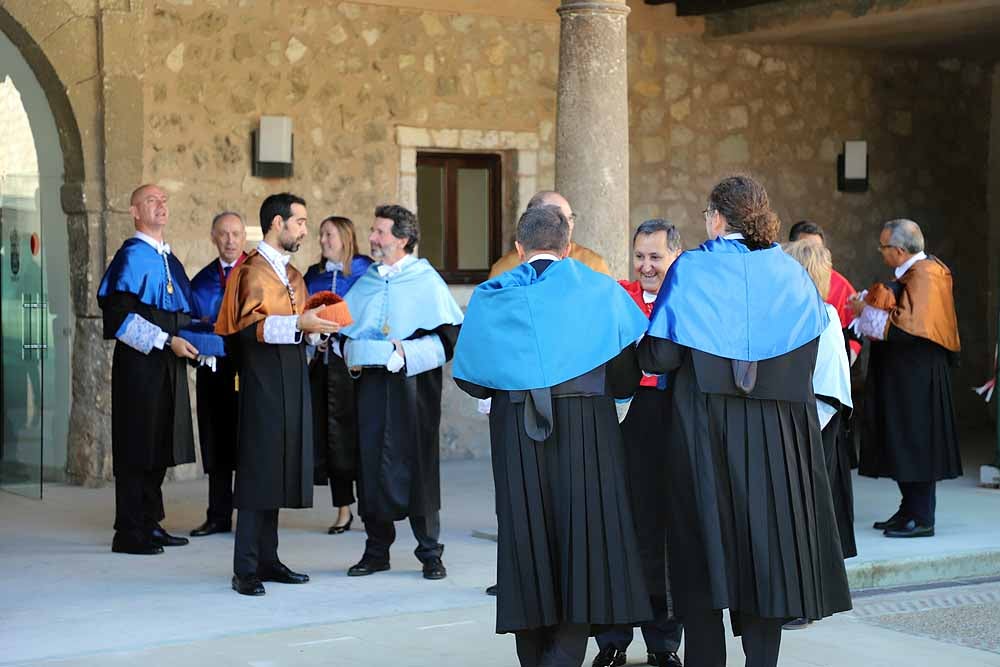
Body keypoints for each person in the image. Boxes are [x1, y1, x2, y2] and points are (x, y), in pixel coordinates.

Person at [637, 176, 852, 667]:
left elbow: (661, 355)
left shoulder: (693, 268)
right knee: (766, 554)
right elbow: (808, 354)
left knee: (701, 553)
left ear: (717, 217)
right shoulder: (793, 273)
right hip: (777, 437)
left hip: (703, 435)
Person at [454, 205, 652, 667]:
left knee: (526, 540)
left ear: (519, 248)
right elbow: (626, 376)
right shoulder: (600, 291)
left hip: (517, 435)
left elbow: (472, 380)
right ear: (567, 247)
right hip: (587, 433)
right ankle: (565, 655)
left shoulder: (492, 295)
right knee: (582, 540)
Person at [215, 193, 339, 596]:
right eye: (300, 222)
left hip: (291, 377)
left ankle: (269, 559)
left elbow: (298, 326)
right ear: (277, 224)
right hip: (261, 378)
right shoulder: (252, 271)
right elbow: (250, 329)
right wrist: (301, 323)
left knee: (279, 468)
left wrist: (315, 331)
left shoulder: (293, 275)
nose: (305, 229)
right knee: (256, 471)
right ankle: (245, 567)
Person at [341, 204, 463, 580]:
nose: (373, 239)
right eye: (374, 231)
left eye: (380, 232)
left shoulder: (427, 282)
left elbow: (449, 340)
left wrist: (406, 353)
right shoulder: (368, 281)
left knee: (419, 468)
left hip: (413, 390)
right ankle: (376, 550)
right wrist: (352, 354)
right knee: (371, 465)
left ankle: (430, 553)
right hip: (373, 390)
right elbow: (344, 330)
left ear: (403, 239)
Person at [593, 219, 684, 667]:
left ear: (674, 258)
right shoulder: (616, 298)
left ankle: (663, 643)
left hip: (670, 425)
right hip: (619, 427)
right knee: (617, 528)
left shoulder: (686, 299)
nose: (646, 266)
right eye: (640, 256)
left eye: (656, 257)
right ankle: (613, 638)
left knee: (663, 536)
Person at [97, 184, 198, 555]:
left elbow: (183, 312)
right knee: (136, 443)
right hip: (139, 365)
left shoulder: (169, 260)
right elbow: (118, 318)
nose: (161, 206)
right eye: (152, 201)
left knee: (160, 443)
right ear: (135, 211)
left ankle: (151, 522)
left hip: (168, 364)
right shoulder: (130, 257)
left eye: (164, 200)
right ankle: (128, 531)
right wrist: (164, 340)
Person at [849, 219, 961, 538]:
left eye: (883, 248)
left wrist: (863, 309)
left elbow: (904, 327)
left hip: (918, 377)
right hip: (903, 374)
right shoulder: (913, 273)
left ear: (898, 250)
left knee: (916, 442)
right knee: (902, 439)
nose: (881, 253)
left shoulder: (927, 274)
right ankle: (908, 508)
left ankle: (922, 516)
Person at [782, 240, 856, 630]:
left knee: (809, 519)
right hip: (807, 424)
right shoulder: (810, 314)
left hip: (814, 426)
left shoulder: (821, 317)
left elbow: (823, 383)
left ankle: (806, 603)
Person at [303, 216, 373, 535]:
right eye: (321, 235)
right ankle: (343, 509)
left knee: (363, 435)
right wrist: (315, 340)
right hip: (325, 368)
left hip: (357, 368)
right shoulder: (313, 276)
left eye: (328, 234)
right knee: (334, 440)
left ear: (345, 237)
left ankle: (372, 507)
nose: (322, 240)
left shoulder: (366, 272)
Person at [188, 211, 247, 537]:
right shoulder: (202, 281)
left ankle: (253, 516)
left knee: (249, 440)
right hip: (214, 370)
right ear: (213, 237)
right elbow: (190, 323)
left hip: (249, 369)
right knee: (217, 438)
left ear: (244, 237)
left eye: (236, 234)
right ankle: (218, 515)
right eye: (223, 234)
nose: (230, 240)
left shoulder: (255, 274)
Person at [488, 191, 610, 278]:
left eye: (570, 218)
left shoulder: (593, 264)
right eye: (560, 219)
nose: (569, 226)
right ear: (533, 219)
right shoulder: (504, 269)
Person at [788, 220, 861, 363]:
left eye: (818, 250)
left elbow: (855, 334)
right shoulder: (779, 280)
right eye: (807, 249)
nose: (813, 256)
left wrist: (845, 362)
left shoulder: (842, 286)